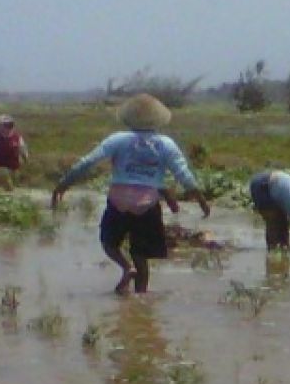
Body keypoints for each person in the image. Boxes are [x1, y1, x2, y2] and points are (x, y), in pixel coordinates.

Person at [51, 93, 210, 294]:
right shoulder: (166, 144)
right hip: (147, 203)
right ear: (158, 120)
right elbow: (183, 174)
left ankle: (127, 267)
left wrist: (64, 184)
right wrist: (202, 201)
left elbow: (88, 162)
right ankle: (141, 299)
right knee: (141, 254)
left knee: (109, 243)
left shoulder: (117, 140)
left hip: (118, 199)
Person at [0, 114, 29, 189]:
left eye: (10, 125)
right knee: (6, 179)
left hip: (14, 166)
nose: (8, 127)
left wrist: (25, 159)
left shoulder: (17, 137)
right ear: (0, 126)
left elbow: (23, 149)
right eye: (6, 125)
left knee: (16, 182)